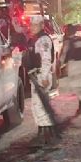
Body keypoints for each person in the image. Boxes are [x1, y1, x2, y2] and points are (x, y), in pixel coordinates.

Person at [27, 16, 57, 144]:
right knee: (39, 105)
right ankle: (45, 133)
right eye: (31, 25)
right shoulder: (37, 39)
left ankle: (45, 136)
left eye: (34, 25)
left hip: (41, 75)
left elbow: (46, 60)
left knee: (40, 105)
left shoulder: (43, 40)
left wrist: (44, 77)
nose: (32, 27)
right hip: (37, 75)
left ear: (41, 25)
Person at [60, 23, 81, 114]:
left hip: (73, 65)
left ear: (67, 32)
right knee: (79, 84)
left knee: (75, 85)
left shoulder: (68, 41)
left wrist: (61, 65)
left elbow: (64, 55)